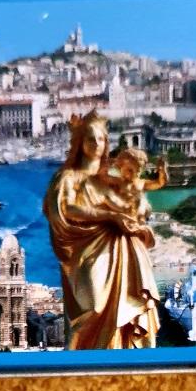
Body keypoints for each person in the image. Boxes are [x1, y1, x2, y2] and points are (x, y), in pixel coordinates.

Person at [43, 111, 160, 350]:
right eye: (91, 138)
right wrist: (109, 216)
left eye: (101, 138)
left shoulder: (113, 178)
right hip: (88, 251)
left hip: (124, 248)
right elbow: (65, 208)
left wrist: (134, 217)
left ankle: (123, 354)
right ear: (80, 142)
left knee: (128, 305)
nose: (97, 143)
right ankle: (85, 359)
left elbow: (135, 204)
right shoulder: (69, 177)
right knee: (95, 305)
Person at [102, 148, 168, 224]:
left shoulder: (141, 183)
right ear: (120, 167)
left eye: (138, 170)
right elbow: (102, 176)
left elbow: (160, 183)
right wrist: (108, 163)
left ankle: (140, 219)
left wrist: (162, 170)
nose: (134, 174)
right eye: (130, 170)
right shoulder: (117, 182)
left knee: (142, 202)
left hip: (137, 216)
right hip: (122, 214)